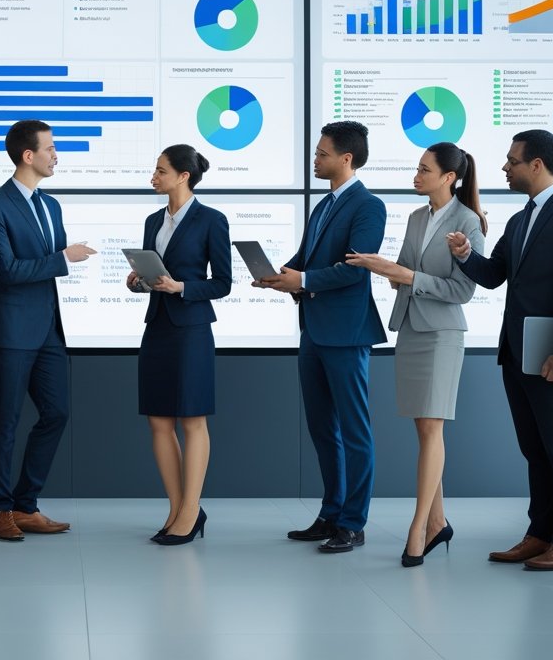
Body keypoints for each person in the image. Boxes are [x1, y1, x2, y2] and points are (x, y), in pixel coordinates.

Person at [448, 129, 553, 572]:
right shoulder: (519, 221)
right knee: (535, 449)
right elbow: (494, 274)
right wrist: (464, 255)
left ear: (537, 165)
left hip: (552, 357)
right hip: (516, 354)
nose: (504, 168)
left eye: (512, 161)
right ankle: (540, 534)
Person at [345, 142, 486, 567]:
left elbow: (462, 291)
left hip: (441, 334)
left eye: (425, 169)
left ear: (449, 177)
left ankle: (418, 527)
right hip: (409, 328)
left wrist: (407, 275)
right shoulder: (416, 217)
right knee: (424, 431)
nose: (417, 174)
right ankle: (438, 521)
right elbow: (405, 275)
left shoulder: (468, 222)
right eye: (417, 168)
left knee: (430, 429)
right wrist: (387, 270)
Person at [257, 120, 386, 554]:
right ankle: (331, 513)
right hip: (313, 329)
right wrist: (280, 276)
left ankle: (353, 522)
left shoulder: (368, 206)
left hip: (347, 333)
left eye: (321, 154)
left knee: (354, 431)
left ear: (345, 158)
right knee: (321, 429)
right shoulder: (322, 206)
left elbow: (356, 266)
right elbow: (306, 259)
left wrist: (304, 278)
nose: (315, 160)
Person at [0, 119, 97, 542]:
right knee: (6, 419)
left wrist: (59, 258)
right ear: (28, 155)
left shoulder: (52, 205)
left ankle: (26, 504)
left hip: (48, 326)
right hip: (12, 327)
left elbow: (43, 261)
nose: (55, 155)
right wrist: (63, 258)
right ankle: (1, 510)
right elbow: (5, 270)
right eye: (50, 148)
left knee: (57, 412)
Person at [126, 145, 232, 546]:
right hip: (158, 326)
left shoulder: (211, 220)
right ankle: (177, 508)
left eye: (160, 171)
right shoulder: (154, 219)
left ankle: (191, 510)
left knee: (192, 420)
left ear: (184, 175)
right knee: (158, 420)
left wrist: (181, 287)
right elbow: (150, 270)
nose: (153, 177)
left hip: (190, 329)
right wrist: (140, 281)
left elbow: (222, 282)